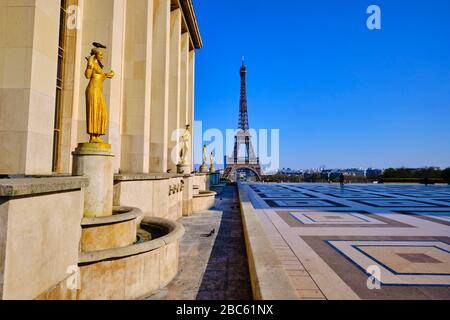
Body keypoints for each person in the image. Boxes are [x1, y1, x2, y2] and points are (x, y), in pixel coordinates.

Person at [85, 46, 115, 143]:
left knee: (102, 113)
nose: (102, 57)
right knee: (93, 112)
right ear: (95, 55)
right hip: (92, 90)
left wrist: (107, 75)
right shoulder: (92, 63)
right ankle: (92, 136)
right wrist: (89, 64)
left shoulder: (98, 65)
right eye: (100, 55)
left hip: (98, 91)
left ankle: (97, 134)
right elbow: (87, 75)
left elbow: (99, 77)